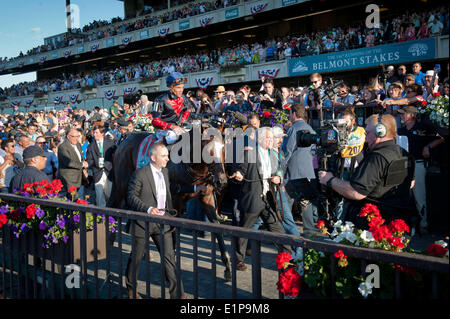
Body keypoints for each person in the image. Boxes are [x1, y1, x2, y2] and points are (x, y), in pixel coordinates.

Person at [318, 114, 418, 230]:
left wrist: (329, 179)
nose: (365, 138)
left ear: (380, 132)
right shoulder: (405, 154)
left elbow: (356, 192)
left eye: (368, 133)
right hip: (398, 224)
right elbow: (411, 184)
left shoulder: (376, 158)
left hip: (373, 226)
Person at [125, 143, 185, 299]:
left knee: (169, 258)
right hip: (143, 222)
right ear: (153, 157)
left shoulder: (165, 172)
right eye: (164, 156)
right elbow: (131, 197)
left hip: (162, 222)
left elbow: (173, 189)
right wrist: (148, 209)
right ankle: (131, 288)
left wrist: (194, 190)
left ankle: (177, 294)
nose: (167, 158)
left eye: (167, 155)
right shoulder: (140, 174)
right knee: (137, 257)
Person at [231, 127, 291, 271]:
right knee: (245, 230)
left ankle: (289, 257)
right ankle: (238, 259)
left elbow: (281, 169)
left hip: (267, 199)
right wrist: (238, 174)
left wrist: (279, 177)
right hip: (252, 198)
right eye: (268, 138)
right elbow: (240, 169)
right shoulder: (250, 153)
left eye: (272, 138)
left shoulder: (274, 153)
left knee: (277, 228)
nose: (271, 141)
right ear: (259, 139)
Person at [397, 106, 445, 232]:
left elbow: (441, 137)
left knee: (419, 196)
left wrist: (427, 147)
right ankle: (404, 225)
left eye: (404, 114)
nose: (401, 116)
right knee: (404, 196)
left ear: (412, 115)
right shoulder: (400, 130)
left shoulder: (423, 127)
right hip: (403, 165)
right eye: (401, 114)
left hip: (417, 164)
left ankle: (424, 224)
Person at [282, 104, 319, 237]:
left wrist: (280, 170)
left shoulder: (293, 129)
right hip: (308, 170)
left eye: (290, 114)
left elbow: (287, 152)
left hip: (293, 173)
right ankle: (309, 231)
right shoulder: (311, 129)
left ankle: (288, 231)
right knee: (305, 203)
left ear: (294, 114)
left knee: (285, 203)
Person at [86, 125, 115, 207]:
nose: (94, 134)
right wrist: (95, 164)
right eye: (94, 133)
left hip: (109, 172)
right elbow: (89, 160)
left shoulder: (110, 143)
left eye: (96, 133)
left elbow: (115, 156)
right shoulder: (91, 146)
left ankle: (110, 215)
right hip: (97, 172)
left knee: (109, 195)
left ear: (102, 133)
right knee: (99, 196)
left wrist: (109, 164)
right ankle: (101, 216)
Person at [57, 128, 89, 199]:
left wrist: (84, 170)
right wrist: (82, 164)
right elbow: (68, 162)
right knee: (72, 201)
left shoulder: (78, 145)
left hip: (79, 178)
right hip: (69, 180)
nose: (76, 139)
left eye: (78, 136)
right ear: (68, 137)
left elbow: (81, 158)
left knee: (80, 200)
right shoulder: (63, 147)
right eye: (74, 137)